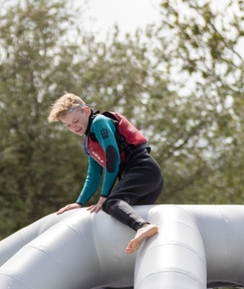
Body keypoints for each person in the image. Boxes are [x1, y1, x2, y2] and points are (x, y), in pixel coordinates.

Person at [47, 92, 164, 254]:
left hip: (143, 169)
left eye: (76, 121)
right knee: (123, 212)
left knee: (111, 203)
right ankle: (145, 239)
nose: (74, 127)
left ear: (86, 111)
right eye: (68, 125)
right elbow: (93, 175)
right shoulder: (89, 141)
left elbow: (113, 158)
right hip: (141, 174)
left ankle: (144, 226)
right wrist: (79, 202)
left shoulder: (99, 122)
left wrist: (104, 196)